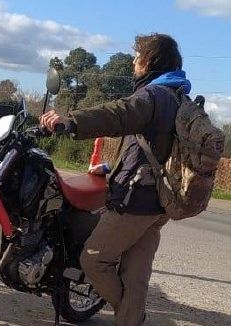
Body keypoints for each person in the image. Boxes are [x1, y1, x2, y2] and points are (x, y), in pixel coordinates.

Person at [40, 33, 190, 325]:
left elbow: (118, 115)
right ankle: (132, 318)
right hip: (160, 201)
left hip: (136, 202)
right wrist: (110, 167)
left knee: (93, 259)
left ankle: (132, 316)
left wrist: (70, 121)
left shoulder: (153, 96)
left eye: (137, 58)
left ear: (149, 61)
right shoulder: (177, 96)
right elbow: (152, 149)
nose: (134, 63)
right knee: (135, 279)